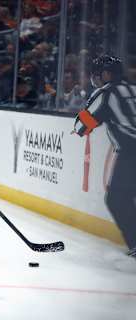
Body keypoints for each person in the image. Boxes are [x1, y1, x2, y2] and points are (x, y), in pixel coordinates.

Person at [73, 55, 136, 258]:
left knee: (117, 199)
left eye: (98, 75)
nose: (96, 79)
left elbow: (81, 126)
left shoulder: (106, 93)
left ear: (107, 74)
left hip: (132, 153)